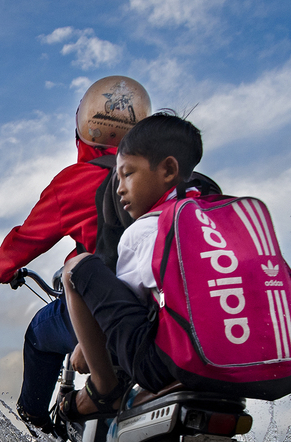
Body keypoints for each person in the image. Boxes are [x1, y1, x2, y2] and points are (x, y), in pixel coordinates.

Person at [0, 76, 151, 432]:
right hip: (160, 309)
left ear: (82, 129)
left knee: (39, 334)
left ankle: (36, 429)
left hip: (102, 309)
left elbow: (25, 241)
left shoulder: (77, 180)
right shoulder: (162, 177)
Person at [57, 112, 204, 420]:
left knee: (76, 268)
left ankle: (104, 391)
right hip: (237, 352)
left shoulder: (147, 229)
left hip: (165, 363)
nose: (120, 188)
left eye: (128, 174)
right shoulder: (216, 219)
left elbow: (120, 308)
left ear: (168, 170)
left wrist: (86, 346)